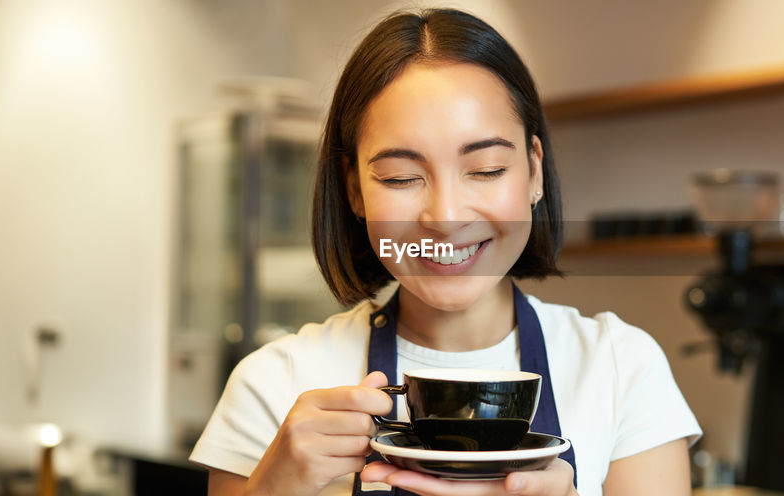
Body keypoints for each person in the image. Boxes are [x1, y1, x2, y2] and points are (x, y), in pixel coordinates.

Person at [190, 8, 701, 496]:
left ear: (534, 171)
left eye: (485, 170)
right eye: (401, 178)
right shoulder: (273, 382)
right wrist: (274, 487)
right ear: (353, 190)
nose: (446, 215)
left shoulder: (620, 368)